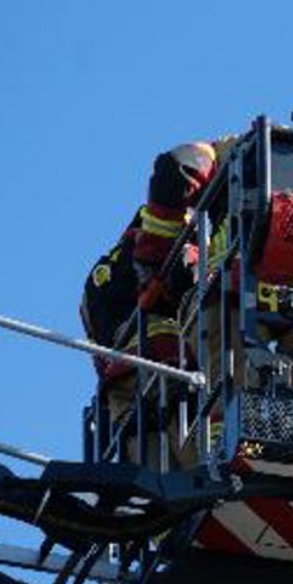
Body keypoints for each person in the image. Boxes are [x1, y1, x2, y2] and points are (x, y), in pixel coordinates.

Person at [80, 142, 219, 466]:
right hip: (162, 380)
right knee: (205, 476)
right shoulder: (164, 242)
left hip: (134, 394)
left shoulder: (114, 268)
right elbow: (179, 168)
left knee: (170, 497)